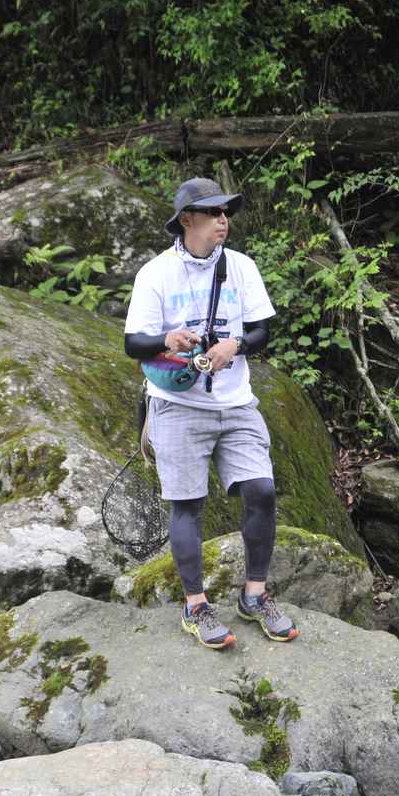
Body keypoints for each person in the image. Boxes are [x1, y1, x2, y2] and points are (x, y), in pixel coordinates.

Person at [123, 177, 299, 648]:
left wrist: (234, 344)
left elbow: (264, 332)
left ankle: (255, 595)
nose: (224, 220)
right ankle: (195, 604)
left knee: (260, 490)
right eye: (214, 212)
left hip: (236, 400)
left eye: (227, 212)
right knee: (188, 504)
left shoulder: (241, 267)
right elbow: (132, 344)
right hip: (178, 405)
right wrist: (168, 339)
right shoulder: (155, 274)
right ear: (187, 220)